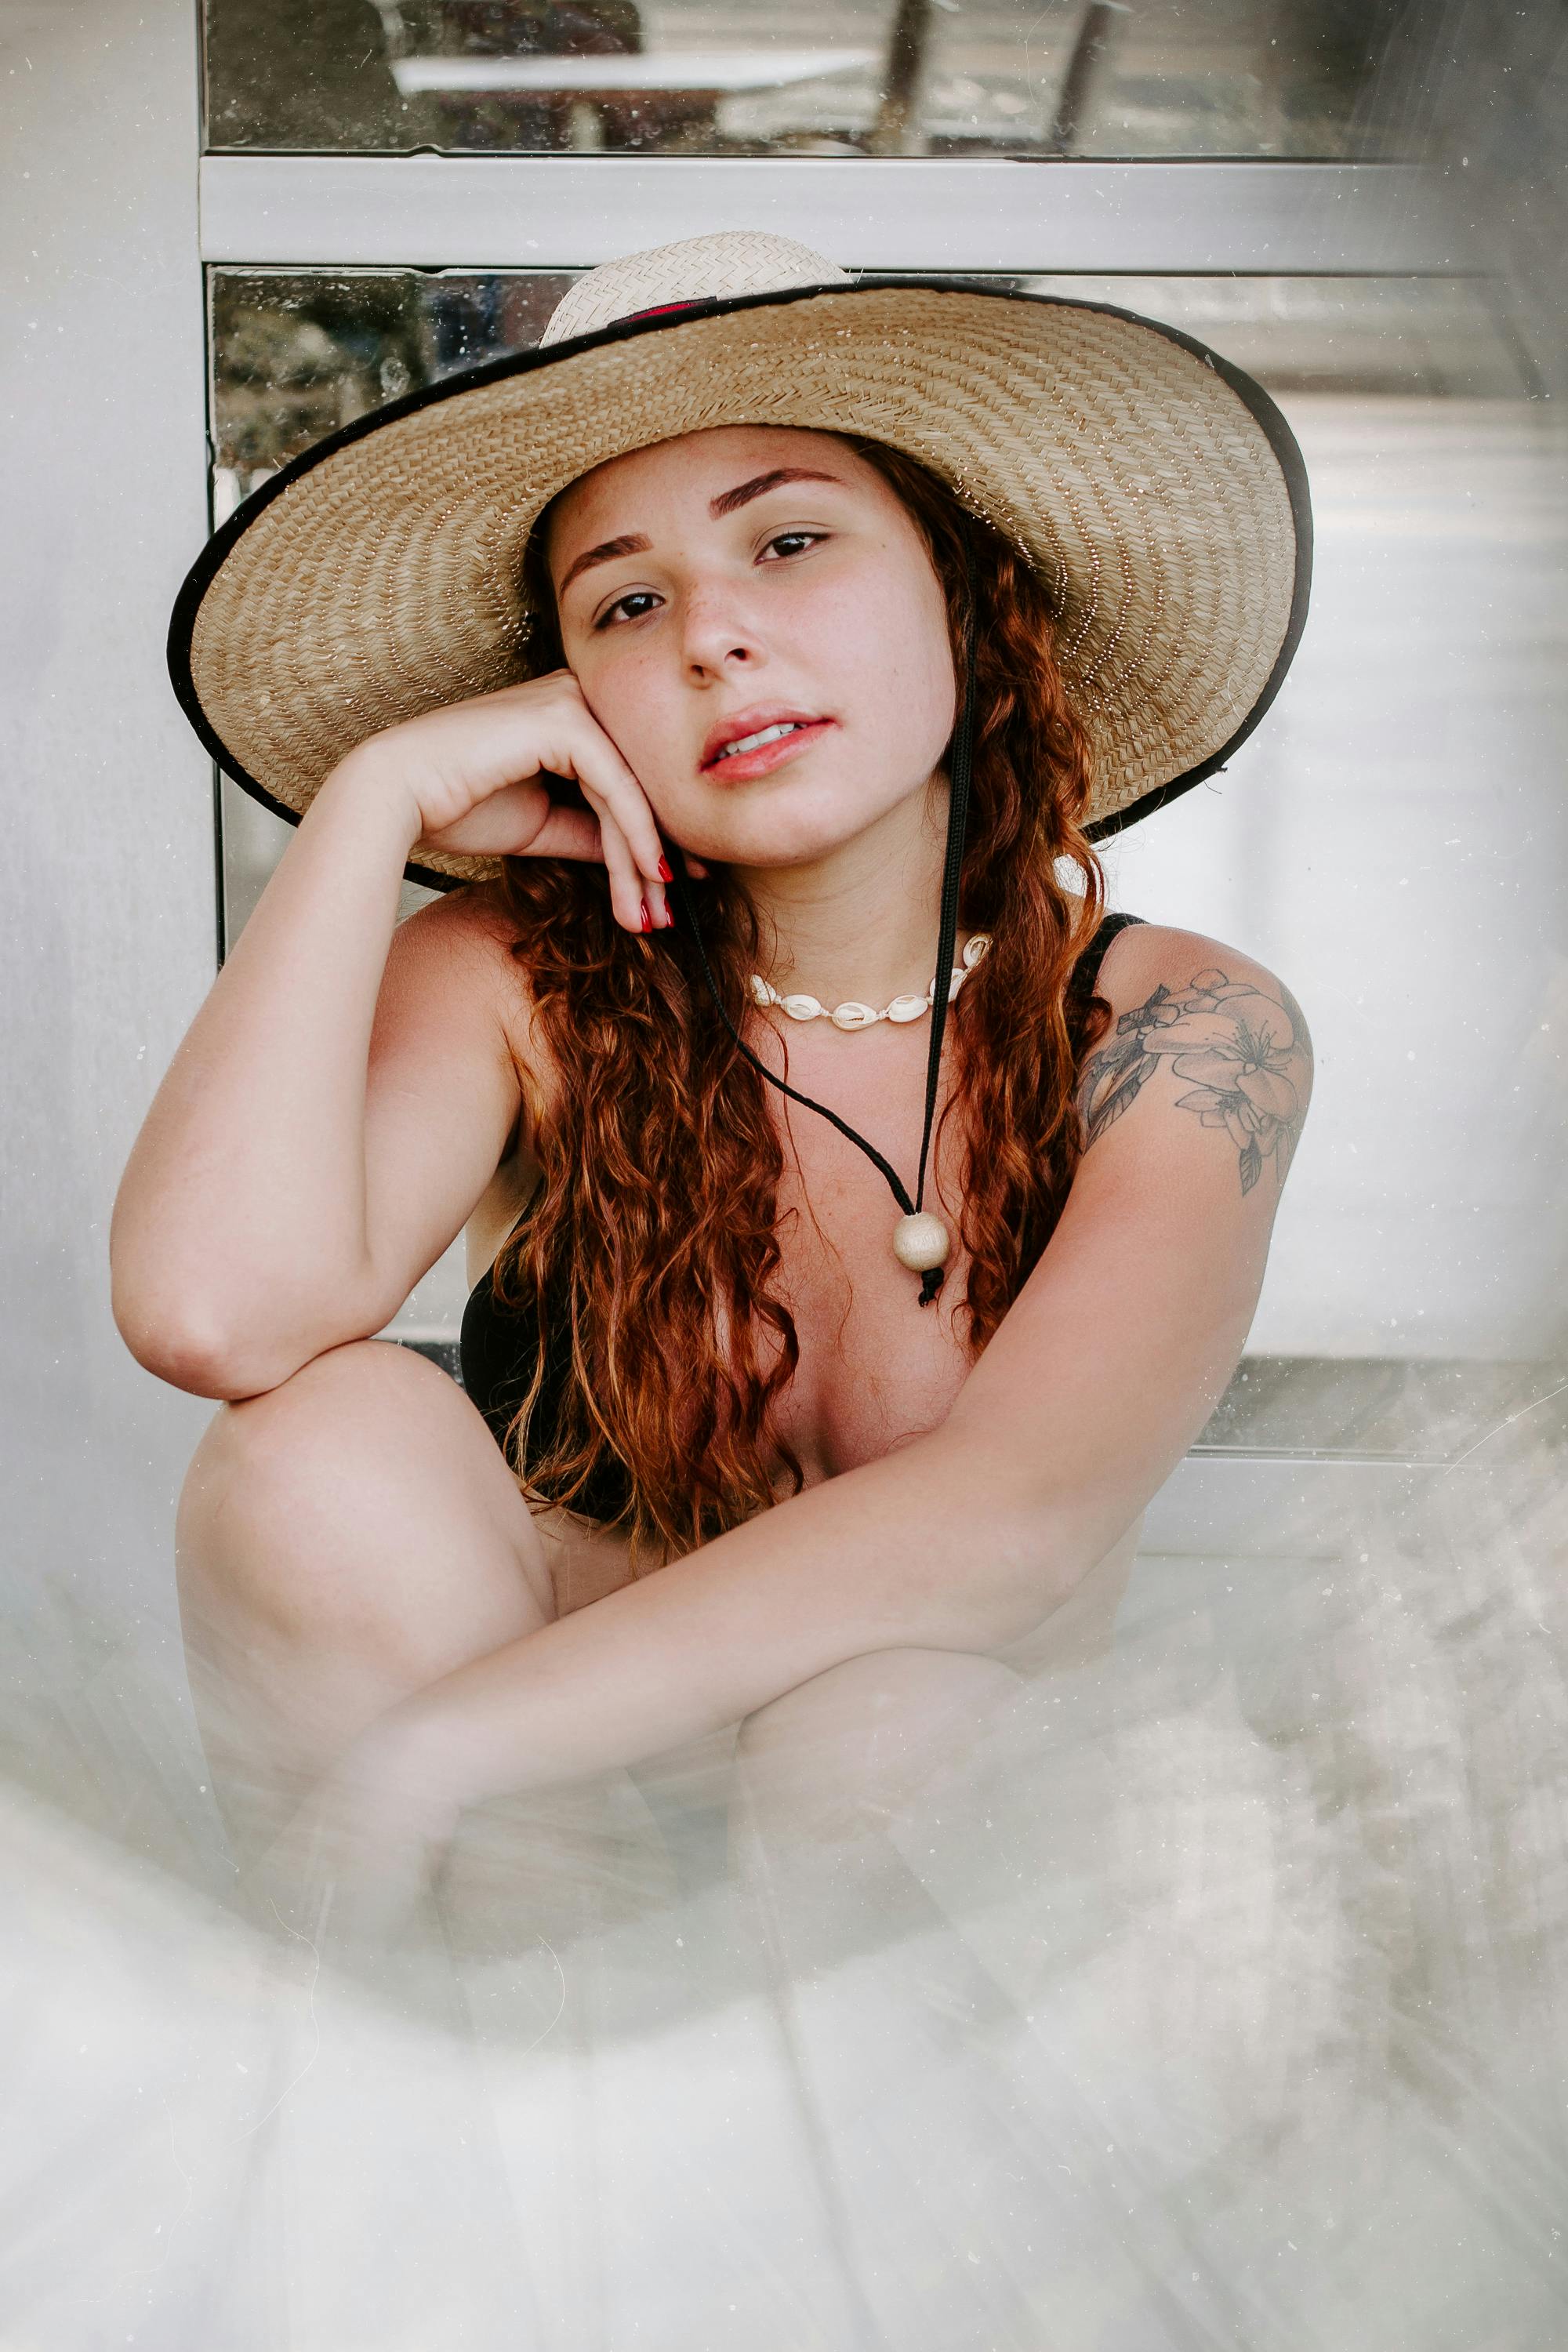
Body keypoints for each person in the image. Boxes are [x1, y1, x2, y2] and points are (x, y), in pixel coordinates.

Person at [111, 230, 1313, 1918]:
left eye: (792, 539)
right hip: (547, 1859)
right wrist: (367, 808)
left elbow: (1016, 1522)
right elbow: (213, 1319)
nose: (713, 639)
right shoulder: (518, 980)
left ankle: (791, 2162)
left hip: (904, 1842)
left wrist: (445, 1747)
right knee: (310, 1442)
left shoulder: (1178, 1026)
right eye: (626, 600)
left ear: (963, 596)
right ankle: (476, 2096)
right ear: (569, 692)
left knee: (886, 1713)